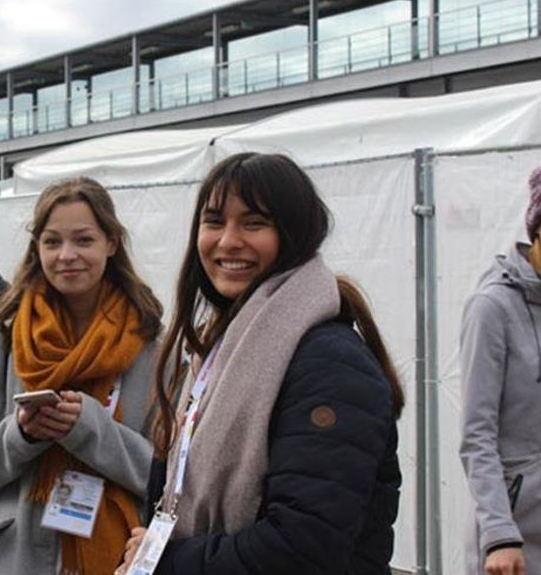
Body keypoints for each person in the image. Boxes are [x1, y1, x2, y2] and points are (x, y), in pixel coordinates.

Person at [117, 152, 404, 574]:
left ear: (295, 234)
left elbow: (303, 546)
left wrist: (168, 561)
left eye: (254, 223)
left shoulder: (329, 364)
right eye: (214, 221)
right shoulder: (216, 350)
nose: (228, 241)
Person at [0, 177, 164, 575]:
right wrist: (23, 435)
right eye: (52, 242)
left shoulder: (151, 346)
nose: (67, 255)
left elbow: (167, 480)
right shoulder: (1, 342)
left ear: (112, 243)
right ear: (37, 248)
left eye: (84, 240)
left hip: (118, 559)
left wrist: (87, 426)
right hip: (15, 561)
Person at [459, 166, 541, 575]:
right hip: (514, 537)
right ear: (538, 225)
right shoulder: (492, 307)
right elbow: (477, 436)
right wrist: (499, 535)